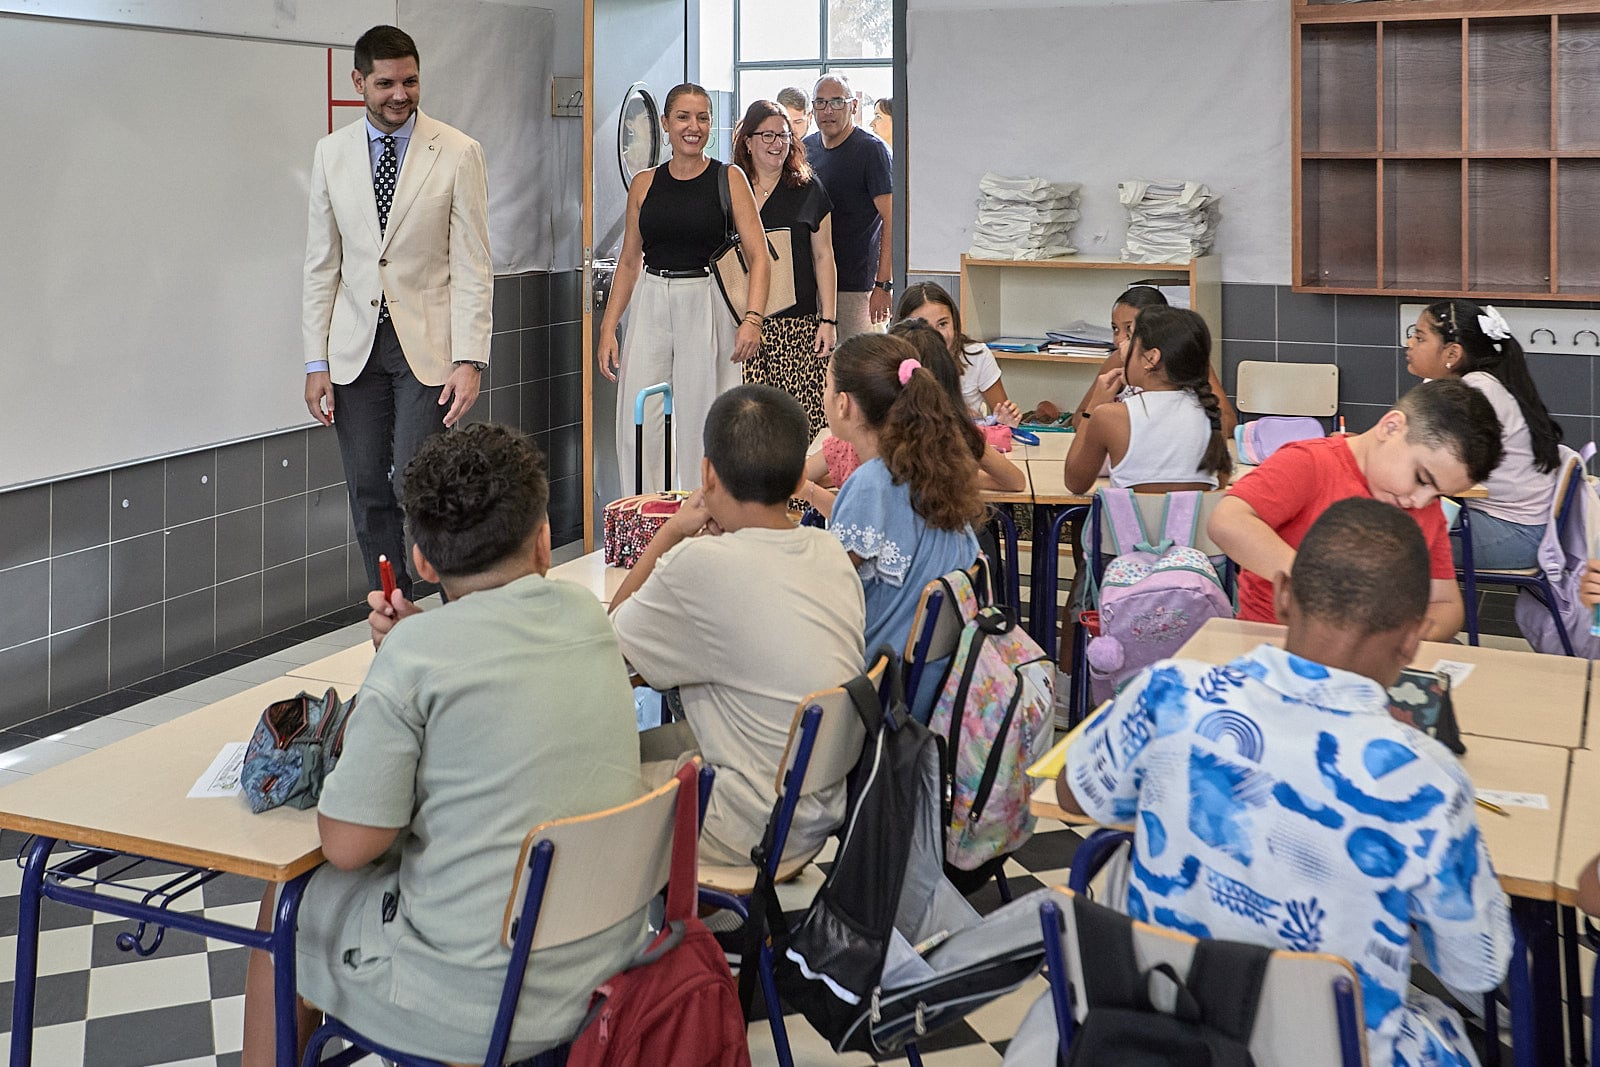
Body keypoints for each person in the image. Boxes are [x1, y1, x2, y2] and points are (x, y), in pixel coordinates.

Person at [240, 424, 645, 1066]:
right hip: (609, 969)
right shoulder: (588, 620)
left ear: (423, 563)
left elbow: (349, 844)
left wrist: (401, 657)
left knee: (284, 910)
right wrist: (419, 644)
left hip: (479, 999)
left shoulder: (415, 657)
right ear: (543, 542)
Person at [1055, 497, 1511, 1067]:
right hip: (1332, 1050)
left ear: (1283, 594)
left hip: (1168, 1035)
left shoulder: (1166, 691)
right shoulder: (1428, 782)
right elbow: (1478, 966)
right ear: (1414, 638)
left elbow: (1076, 795)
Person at [610, 385, 865, 868]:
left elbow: (609, 647)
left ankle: (645, 932)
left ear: (707, 473)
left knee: (593, 775)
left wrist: (670, 531)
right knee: (658, 743)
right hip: (819, 808)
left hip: (748, 824)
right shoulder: (829, 550)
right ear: (797, 481)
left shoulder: (699, 565)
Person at [302, 25, 493, 600]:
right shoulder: (330, 154)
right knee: (367, 488)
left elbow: (473, 264)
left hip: (428, 348)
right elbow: (321, 266)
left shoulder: (458, 151)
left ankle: (454, 605)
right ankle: (393, 607)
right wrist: (315, 361)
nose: (400, 94)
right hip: (354, 349)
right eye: (385, 83)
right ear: (358, 81)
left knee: (422, 485)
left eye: (410, 80)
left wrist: (470, 358)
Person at [1209, 378, 1503, 641]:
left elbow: (1447, 606)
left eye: (1439, 493)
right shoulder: (1310, 464)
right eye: (1422, 479)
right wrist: (1319, 581)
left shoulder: (1425, 509)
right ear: (1391, 427)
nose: (1421, 501)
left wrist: (1403, 638)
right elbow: (1227, 522)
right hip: (1275, 642)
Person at [598, 83, 770, 493]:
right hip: (652, 297)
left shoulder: (730, 178)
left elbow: (761, 257)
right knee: (641, 416)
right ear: (665, 124)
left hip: (708, 299)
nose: (693, 127)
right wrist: (609, 327)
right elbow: (628, 261)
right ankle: (645, 516)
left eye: (703, 117)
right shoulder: (644, 183)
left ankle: (709, 517)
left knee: (704, 417)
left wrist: (753, 319)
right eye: (683, 117)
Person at [825, 333, 983, 719]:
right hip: (931, 682)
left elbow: (826, 591)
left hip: (875, 686)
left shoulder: (872, 484)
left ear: (844, 404)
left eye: (828, 386)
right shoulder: (935, 470)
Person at [797, 320, 1025, 518]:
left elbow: (856, 531)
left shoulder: (860, 458)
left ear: (845, 404)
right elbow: (1016, 481)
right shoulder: (945, 440)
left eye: (827, 386)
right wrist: (957, 477)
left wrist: (814, 491)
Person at [1404, 300, 1561, 570]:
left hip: (1515, 532)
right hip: (1510, 521)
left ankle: (1432, 611)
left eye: (1419, 337)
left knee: (1391, 545)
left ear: (1452, 354)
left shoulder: (1477, 393)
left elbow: (1440, 467)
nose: (1409, 343)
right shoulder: (1476, 383)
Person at [731, 99, 839, 438]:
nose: (777, 143)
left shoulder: (807, 187)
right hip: (741, 324)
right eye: (767, 135)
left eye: (784, 135)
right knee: (750, 428)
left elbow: (824, 256)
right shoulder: (731, 187)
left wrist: (829, 320)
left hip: (797, 326)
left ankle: (802, 492)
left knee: (800, 425)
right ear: (747, 141)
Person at [1064, 305, 1232, 494]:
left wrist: (1094, 406)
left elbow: (1074, 483)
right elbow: (1218, 486)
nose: (1121, 345)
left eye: (1130, 338)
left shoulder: (1108, 416)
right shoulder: (1214, 417)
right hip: (1192, 524)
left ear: (1151, 358)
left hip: (1127, 524)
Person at [804, 74, 893, 339]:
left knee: (861, 372)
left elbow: (891, 219)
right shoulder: (805, 149)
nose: (827, 110)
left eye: (836, 102)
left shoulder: (872, 151)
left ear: (853, 106)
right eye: (820, 103)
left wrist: (883, 285)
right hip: (813, 286)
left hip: (857, 288)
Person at [1082, 285, 1235, 438]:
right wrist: (1098, 406)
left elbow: (1227, 423)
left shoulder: (1186, 358)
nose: (1118, 340)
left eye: (1129, 330)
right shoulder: (1117, 360)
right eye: (1115, 329)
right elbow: (1079, 420)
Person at [897, 281, 1020, 426]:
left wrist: (1005, 421)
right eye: (924, 327)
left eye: (942, 324)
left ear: (954, 322)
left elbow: (1001, 417)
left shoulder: (977, 354)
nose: (936, 335)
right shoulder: (893, 361)